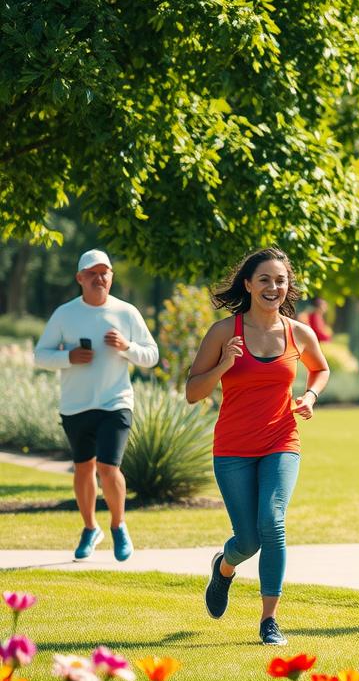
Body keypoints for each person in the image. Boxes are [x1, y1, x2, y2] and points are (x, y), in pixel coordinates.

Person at [185, 247, 330, 646]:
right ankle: (224, 568)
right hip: (232, 448)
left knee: (274, 521)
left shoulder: (298, 332)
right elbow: (192, 393)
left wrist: (311, 396)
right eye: (264, 279)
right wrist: (222, 367)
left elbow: (320, 368)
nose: (273, 287)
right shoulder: (222, 333)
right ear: (248, 284)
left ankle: (269, 621)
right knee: (247, 540)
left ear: (288, 287)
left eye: (280, 280)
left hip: (281, 439)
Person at [33, 249, 159, 562]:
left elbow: (152, 355)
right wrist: (68, 357)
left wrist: (127, 347)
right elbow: (39, 355)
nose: (99, 278)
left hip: (115, 402)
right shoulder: (65, 314)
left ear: (111, 276)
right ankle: (91, 528)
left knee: (108, 466)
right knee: (83, 469)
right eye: (92, 273)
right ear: (80, 278)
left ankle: (118, 525)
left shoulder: (127, 312)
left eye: (104, 272)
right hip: (75, 405)